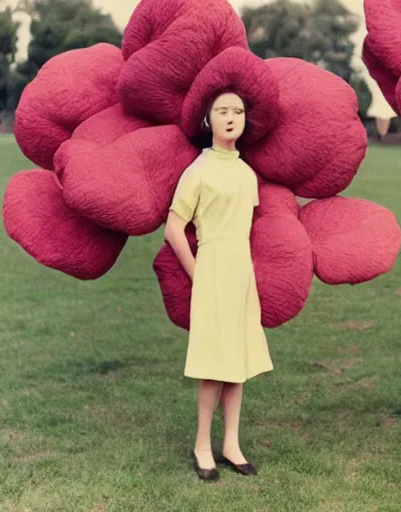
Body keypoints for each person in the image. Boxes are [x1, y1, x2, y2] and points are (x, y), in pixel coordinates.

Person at [164, 91, 273, 481]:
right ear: (208, 120)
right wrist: (198, 273)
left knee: (238, 362)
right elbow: (174, 228)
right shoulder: (198, 171)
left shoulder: (246, 173)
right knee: (214, 363)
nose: (232, 118)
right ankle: (201, 445)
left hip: (241, 269)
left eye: (239, 111)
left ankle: (231, 443)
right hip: (211, 268)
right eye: (222, 111)